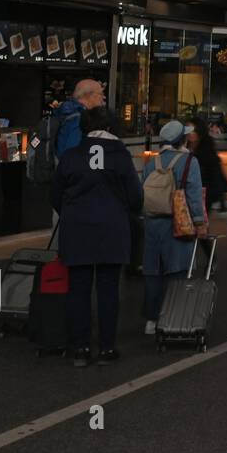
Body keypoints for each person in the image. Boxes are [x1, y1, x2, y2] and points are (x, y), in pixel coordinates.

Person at [52, 106, 143, 365]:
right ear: (111, 127)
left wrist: (72, 214)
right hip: (111, 231)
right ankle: (106, 348)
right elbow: (135, 197)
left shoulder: (71, 156)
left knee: (78, 290)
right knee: (108, 290)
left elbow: (55, 195)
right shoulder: (120, 155)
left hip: (78, 231)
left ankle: (79, 349)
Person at [140, 120, 207, 335]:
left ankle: (151, 319)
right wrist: (199, 222)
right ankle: (172, 318)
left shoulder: (152, 162)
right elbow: (194, 196)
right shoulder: (189, 161)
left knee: (153, 271)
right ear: (182, 140)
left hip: (152, 223)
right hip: (178, 223)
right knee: (176, 271)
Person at [55, 79, 105, 162]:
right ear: (90, 96)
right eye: (101, 94)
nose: (103, 98)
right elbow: (73, 157)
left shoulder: (69, 113)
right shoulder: (78, 119)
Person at [188, 117, 227, 212]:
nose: (189, 133)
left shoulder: (206, 148)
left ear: (199, 131)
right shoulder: (187, 146)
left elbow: (212, 172)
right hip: (192, 193)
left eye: (192, 130)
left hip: (203, 193)